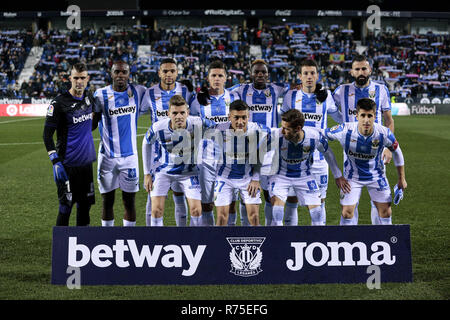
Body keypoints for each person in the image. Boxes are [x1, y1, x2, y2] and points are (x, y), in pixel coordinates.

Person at [332, 54, 395, 225]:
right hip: (351, 152)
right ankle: (350, 241)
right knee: (350, 201)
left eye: (364, 68)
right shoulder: (341, 91)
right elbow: (329, 109)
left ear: (370, 70)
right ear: (352, 72)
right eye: (357, 69)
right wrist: (342, 123)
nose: (361, 72)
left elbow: (388, 120)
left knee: (379, 201)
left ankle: (379, 235)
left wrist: (389, 148)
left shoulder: (381, 90)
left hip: (376, 150)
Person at [324, 98, 407, 225]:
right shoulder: (344, 130)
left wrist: (402, 179)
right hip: (352, 178)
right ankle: (346, 242)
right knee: (347, 212)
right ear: (357, 116)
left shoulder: (384, 133)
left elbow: (397, 152)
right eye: (363, 115)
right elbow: (322, 135)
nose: (366, 120)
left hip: (376, 176)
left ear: (374, 116)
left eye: (370, 116)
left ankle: (387, 241)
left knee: (386, 212)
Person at [281, 58, 343, 225]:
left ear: (317, 76)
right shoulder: (291, 96)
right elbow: (282, 122)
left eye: (312, 73)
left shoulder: (326, 96)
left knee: (319, 203)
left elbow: (340, 118)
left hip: (319, 159)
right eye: (305, 73)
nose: (309, 76)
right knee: (291, 201)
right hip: (294, 159)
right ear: (300, 76)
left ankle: (318, 237)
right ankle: (289, 240)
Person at [231, 59, 289, 226]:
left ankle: (270, 230)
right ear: (251, 74)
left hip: (270, 150)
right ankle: (246, 229)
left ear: (267, 74)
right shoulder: (242, 90)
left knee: (269, 193)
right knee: (246, 192)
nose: (260, 75)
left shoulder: (276, 90)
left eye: (263, 72)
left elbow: (294, 89)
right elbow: (223, 91)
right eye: (256, 72)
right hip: (246, 149)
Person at [142, 95, 215, 226]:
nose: (179, 116)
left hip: (190, 173)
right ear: (168, 113)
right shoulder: (158, 128)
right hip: (164, 171)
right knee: (156, 210)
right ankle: (157, 242)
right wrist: (147, 173)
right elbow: (146, 143)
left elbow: (217, 129)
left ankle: (193, 242)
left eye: (182, 112)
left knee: (197, 210)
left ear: (187, 112)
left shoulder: (198, 123)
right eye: (175, 113)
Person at [268, 109, 349, 226]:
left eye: (287, 129)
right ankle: (279, 242)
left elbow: (328, 153)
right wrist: (255, 177)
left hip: (304, 176)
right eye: (282, 127)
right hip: (281, 176)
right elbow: (258, 150)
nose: (283, 131)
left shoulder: (314, 137)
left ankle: (318, 240)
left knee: (317, 214)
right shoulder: (276, 135)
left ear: (298, 128)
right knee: (277, 211)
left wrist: (338, 175)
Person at [92, 60, 149, 227]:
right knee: (107, 201)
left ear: (129, 74)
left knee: (129, 201)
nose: (120, 75)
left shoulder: (138, 92)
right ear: (111, 74)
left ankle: (128, 238)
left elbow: (158, 94)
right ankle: (108, 238)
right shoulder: (100, 95)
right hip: (107, 157)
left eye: (124, 72)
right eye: (117, 72)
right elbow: (92, 125)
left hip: (130, 158)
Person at [43, 62, 96, 226]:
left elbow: (92, 124)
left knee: (85, 206)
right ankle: (61, 248)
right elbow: (46, 135)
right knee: (66, 207)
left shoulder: (89, 98)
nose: (79, 81)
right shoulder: (58, 103)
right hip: (66, 166)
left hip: (86, 165)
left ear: (87, 79)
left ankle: (82, 246)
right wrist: (55, 161)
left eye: (82, 78)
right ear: (70, 79)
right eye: (76, 78)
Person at [144, 58, 194, 227]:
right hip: (156, 157)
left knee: (179, 197)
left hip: (181, 155)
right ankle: (151, 238)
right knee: (152, 200)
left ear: (177, 72)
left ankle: (182, 236)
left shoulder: (185, 90)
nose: (169, 74)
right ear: (159, 73)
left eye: (172, 71)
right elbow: (138, 111)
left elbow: (192, 116)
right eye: (165, 71)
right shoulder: (149, 93)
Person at [190, 59, 239, 226]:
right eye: (213, 75)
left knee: (231, 203)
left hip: (230, 156)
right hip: (206, 159)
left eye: (220, 75)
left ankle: (230, 235)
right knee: (207, 203)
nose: (217, 78)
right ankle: (209, 238)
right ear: (208, 78)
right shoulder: (198, 101)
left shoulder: (234, 97)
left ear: (226, 78)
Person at [213, 100, 270, 226]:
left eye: (244, 117)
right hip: (224, 178)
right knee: (222, 218)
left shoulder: (258, 130)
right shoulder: (218, 129)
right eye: (236, 118)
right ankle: (218, 245)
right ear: (229, 117)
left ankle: (257, 244)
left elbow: (263, 153)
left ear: (248, 116)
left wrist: (256, 179)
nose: (240, 122)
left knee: (254, 217)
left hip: (248, 178)